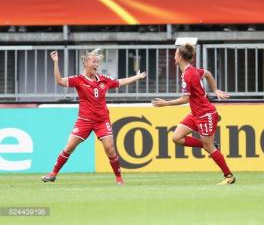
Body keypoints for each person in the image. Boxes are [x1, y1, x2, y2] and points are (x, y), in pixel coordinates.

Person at [42, 49, 147, 185]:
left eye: (97, 62)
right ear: (86, 63)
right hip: (84, 121)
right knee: (69, 147)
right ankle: (53, 174)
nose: (96, 64)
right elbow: (60, 81)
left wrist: (136, 77)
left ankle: (119, 179)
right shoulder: (78, 80)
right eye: (93, 61)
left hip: (102, 121)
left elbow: (120, 82)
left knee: (110, 149)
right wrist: (56, 63)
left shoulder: (104, 80)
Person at [152, 43, 235, 185]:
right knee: (177, 137)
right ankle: (207, 144)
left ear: (180, 57)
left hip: (206, 114)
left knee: (209, 147)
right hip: (196, 114)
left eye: (176, 53)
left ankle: (229, 176)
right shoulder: (192, 70)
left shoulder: (188, 75)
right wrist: (215, 90)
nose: (174, 56)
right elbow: (207, 73)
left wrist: (165, 103)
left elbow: (185, 99)